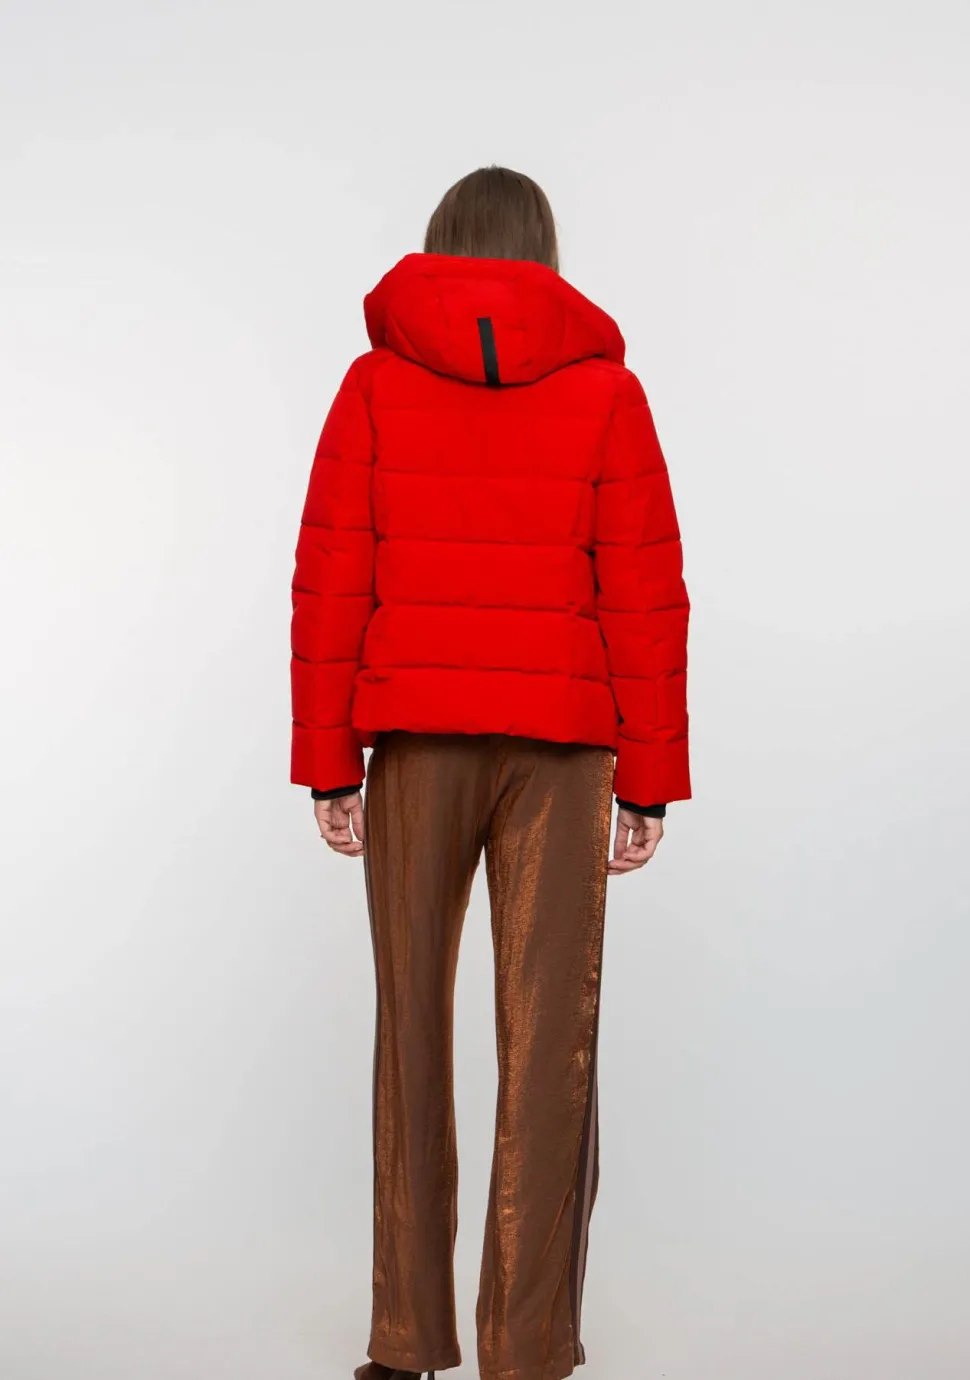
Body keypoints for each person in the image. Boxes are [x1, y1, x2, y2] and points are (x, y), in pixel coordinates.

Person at [290, 165, 690, 1380]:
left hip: (414, 743)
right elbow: (644, 592)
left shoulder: (372, 386)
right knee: (550, 1044)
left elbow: (331, 574)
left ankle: (404, 1345)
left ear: (439, 246)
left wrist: (329, 764)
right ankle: (529, 1348)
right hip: (561, 754)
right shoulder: (606, 392)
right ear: (542, 251)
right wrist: (646, 778)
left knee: (408, 1031)